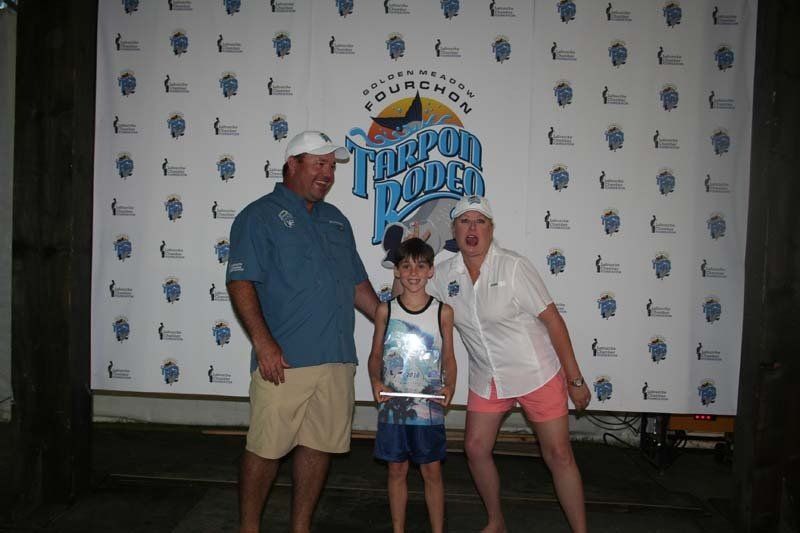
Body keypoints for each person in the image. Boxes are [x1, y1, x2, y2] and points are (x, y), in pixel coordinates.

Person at [226, 130, 379, 533]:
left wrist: (389, 320)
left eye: (332, 166)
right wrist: (263, 343)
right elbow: (240, 282)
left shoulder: (336, 219)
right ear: (292, 164)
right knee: (265, 449)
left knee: (319, 446)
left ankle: (301, 527)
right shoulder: (258, 215)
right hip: (286, 360)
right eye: (319, 164)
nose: (328, 173)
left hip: (336, 356)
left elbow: (356, 285)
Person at [426, 195, 591, 533]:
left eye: (480, 221)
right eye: (464, 222)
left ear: (491, 229)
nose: (472, 229)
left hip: (535, 373)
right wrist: (412, 245)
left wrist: (575, 380)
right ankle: (496, 521)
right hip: (488, 377)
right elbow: (408, 290)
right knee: (474, 448)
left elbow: (554, 321)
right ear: (453, 230)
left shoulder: (513, 266)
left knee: (559, 455)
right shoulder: (444, 273)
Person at [368, 238, 456, 533]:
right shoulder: (385, 311)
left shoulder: (443, 311)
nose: (413, 272)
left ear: (431, 270)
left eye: (421, 266)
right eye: (406, 266)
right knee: (396, 470)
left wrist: (450, 386)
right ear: (396, 272)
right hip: (394, 407)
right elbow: (376, 355)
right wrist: (376, 380)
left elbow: (449, 357)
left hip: (428, 408)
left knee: (431, 471)